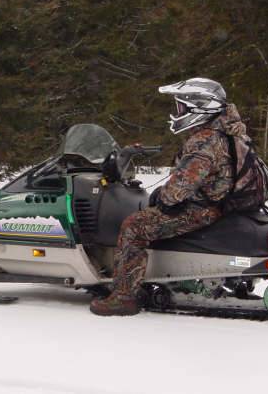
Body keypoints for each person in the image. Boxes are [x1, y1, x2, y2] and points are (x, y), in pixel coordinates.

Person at [90, 77, 247, 316]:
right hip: (220, 203)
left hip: (201, 209)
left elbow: (179, 189)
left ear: (199, 107)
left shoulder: (205, 140)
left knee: (134, 225)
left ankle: (123, 297)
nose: (177, 112)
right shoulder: (231, 133)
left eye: (181, 107)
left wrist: (161, 197)